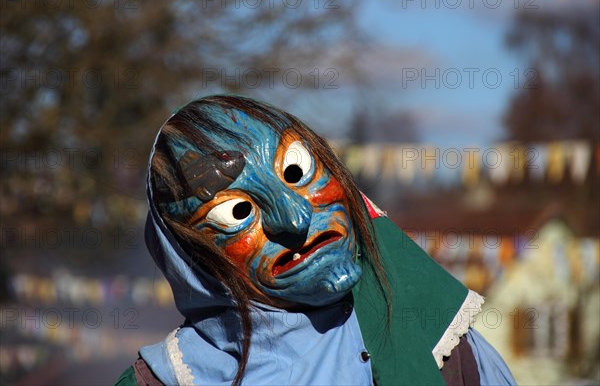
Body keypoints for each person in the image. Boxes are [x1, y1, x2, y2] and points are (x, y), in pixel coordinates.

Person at [116, 95, 515, 385]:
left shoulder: (439, 350)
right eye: (237, 213)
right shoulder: (164, 382)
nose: (294, 218)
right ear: (191, 263)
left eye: (296, 172)